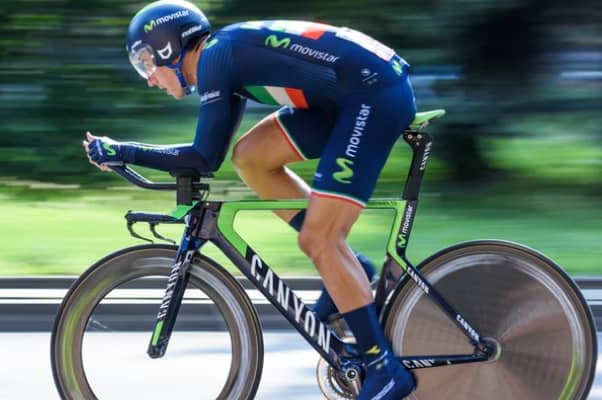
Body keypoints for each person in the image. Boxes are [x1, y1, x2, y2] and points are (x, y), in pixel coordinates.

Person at [83, 1, 416, 398]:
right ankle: (352, 267)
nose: (149, 78)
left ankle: (383, 368)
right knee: (251, 157)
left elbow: (201, 159)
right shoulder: (223, 60)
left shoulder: (217, 58)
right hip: (352, 92)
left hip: (372, 96)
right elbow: (214, 156)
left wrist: (125, 150)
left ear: (168, 48)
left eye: (145, 62)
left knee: (318, 240)